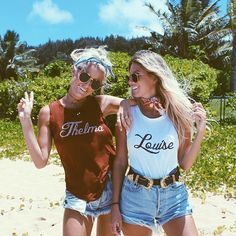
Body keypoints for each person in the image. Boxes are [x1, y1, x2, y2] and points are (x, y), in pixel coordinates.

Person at [18, 46, 131, 236]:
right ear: (74, 70)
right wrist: (25, 121)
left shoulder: (101, 104)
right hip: (77, 193)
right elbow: (40, 161)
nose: (87, 86)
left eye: (95, 84)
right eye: (85, 77)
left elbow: (133, 103)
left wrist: (126, 105)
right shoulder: (49, 112)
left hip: (111, 190)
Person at [111, 50, 206, 236]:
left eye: (135, 76)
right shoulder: (126, 115)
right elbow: (120, 161)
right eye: (129, 77)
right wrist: (115, 205)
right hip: (136, 196)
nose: (130, 82)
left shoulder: (179, 113)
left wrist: (200, 130)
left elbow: (185, 163)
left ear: (154, 76)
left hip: (174, 197)